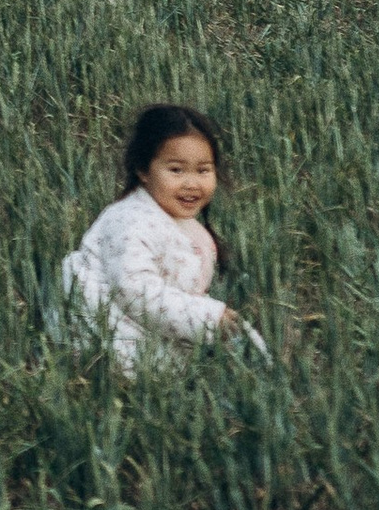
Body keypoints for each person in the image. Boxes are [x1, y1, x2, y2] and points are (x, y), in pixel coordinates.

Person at [53, 106, 265, 374]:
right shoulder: (130, 221)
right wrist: (207, 317)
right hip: (112, 348)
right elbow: (135, 292)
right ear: (143, 169)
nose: (191, 183)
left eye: (203, 170)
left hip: (149, 338)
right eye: (176, 170)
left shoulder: (178, 221)